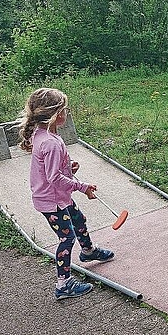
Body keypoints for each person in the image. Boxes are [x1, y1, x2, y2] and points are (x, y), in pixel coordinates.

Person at [18, 88, 115, 299]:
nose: (67, 112)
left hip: (58, 197)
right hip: (51, 201)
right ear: (56, 114)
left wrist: (68, 167)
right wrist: (82, 186)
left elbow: (50, 169)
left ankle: (88, 251)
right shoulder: (50, 142)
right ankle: (63, 284)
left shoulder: (45, 134)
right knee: (66, 238)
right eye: (65, 109)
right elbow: (54, 178)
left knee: (79, 219)